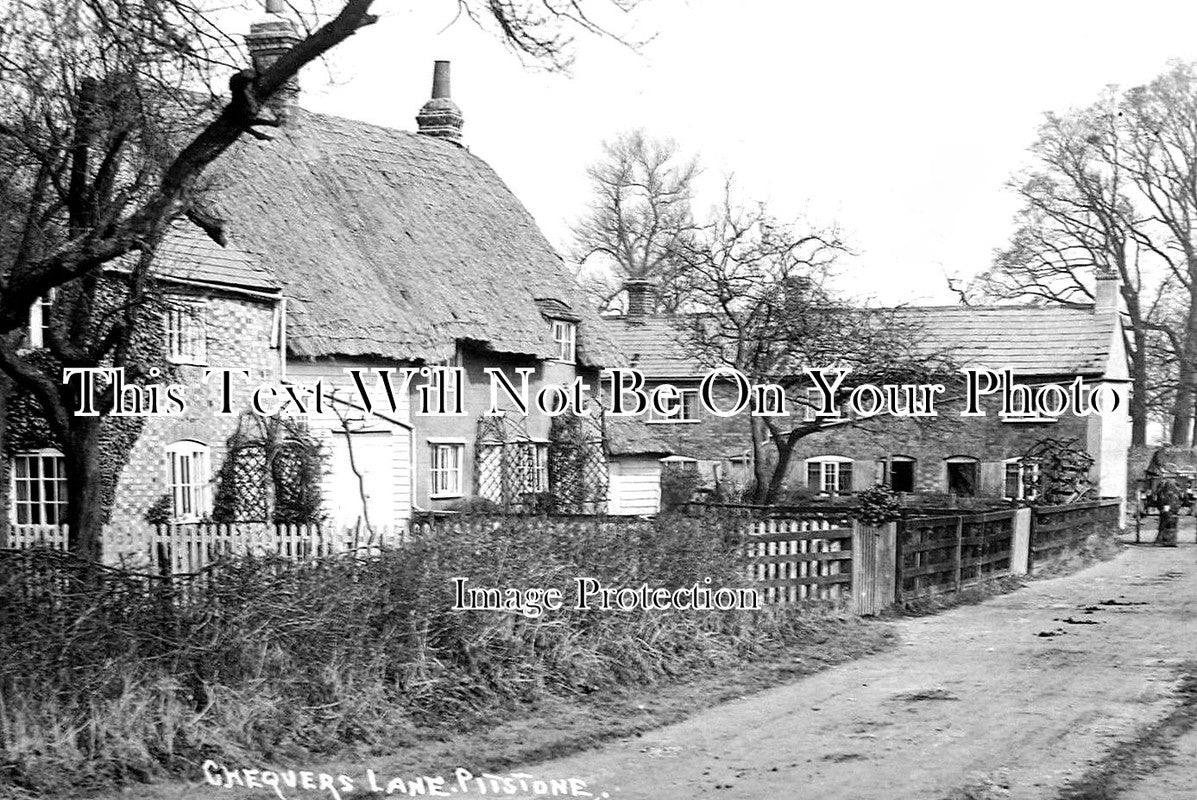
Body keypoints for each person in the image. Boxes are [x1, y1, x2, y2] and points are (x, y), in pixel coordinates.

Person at [1155, 478, 1179, 547]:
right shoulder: (1174, 493)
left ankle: (1163, 538)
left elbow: (1159, 502)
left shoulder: (1162, 493)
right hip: (1170, 510)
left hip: (1168, 510)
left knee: (1165, 519)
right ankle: (1169, 540)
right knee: (1169, 520)